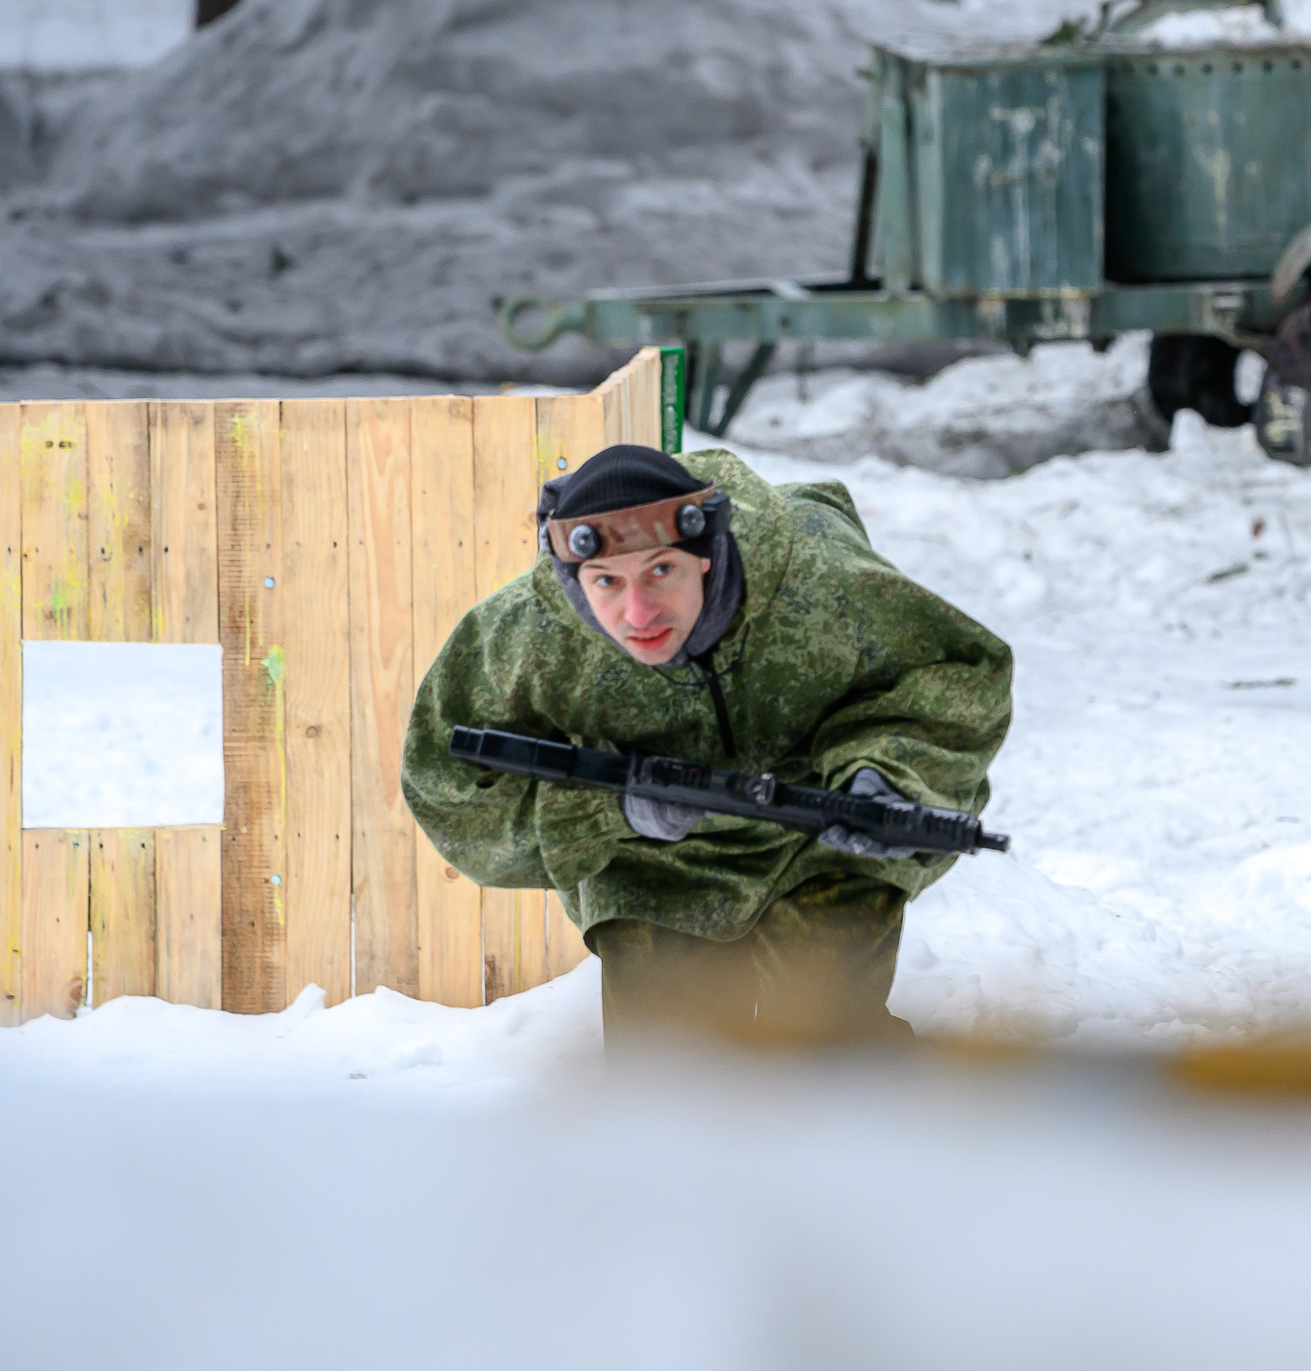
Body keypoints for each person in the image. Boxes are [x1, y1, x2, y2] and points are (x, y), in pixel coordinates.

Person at [402, 443, 1010, 1043]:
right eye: (606, 581)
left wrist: (885, 778)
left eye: (660, 570)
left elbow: (950, 678)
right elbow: (446, 785)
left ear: (707, 557)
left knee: (827, 1057)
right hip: (654, 864)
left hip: (817, 838)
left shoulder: (817, 576)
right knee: (670, 1091)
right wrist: (612, 810)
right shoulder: (524, 640)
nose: (637, 612)